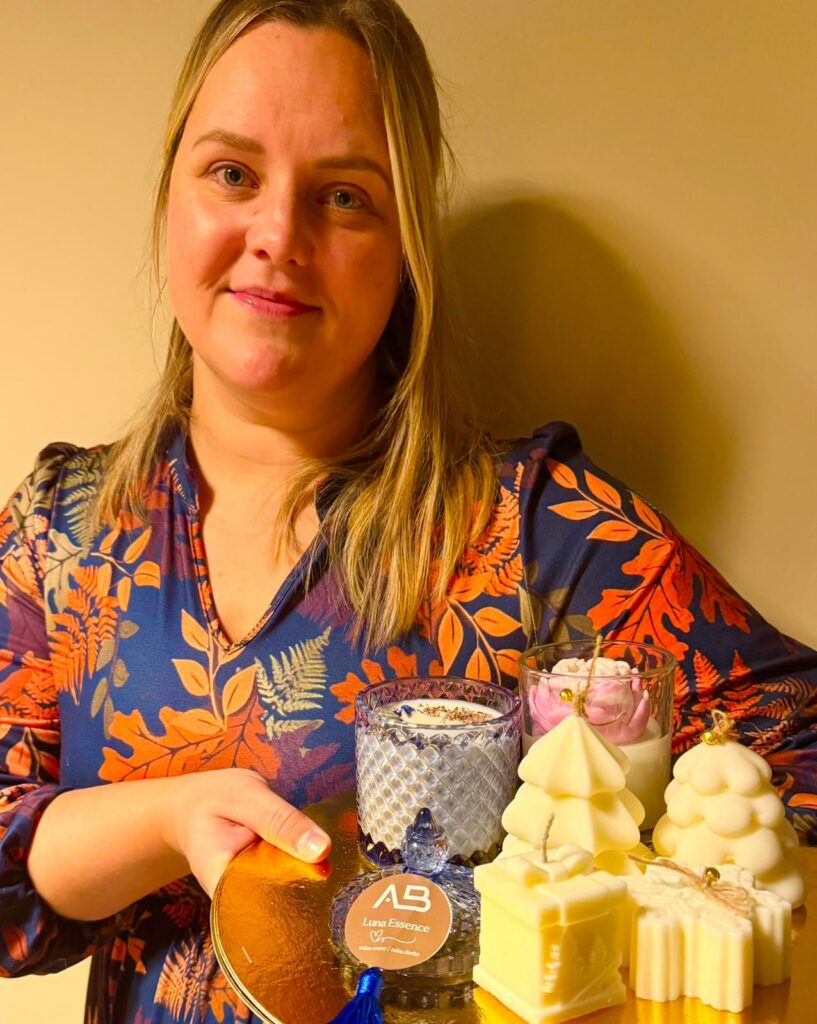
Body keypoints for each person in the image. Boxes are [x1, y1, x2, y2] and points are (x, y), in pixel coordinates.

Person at [1, 0, 815, 1020]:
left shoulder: (534, 528)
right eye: (232, 174)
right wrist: (169, 819)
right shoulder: (62, 529)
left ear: (405, 249)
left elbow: (790, 736)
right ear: (170, 195)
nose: (277, 235)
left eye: (344, 196)